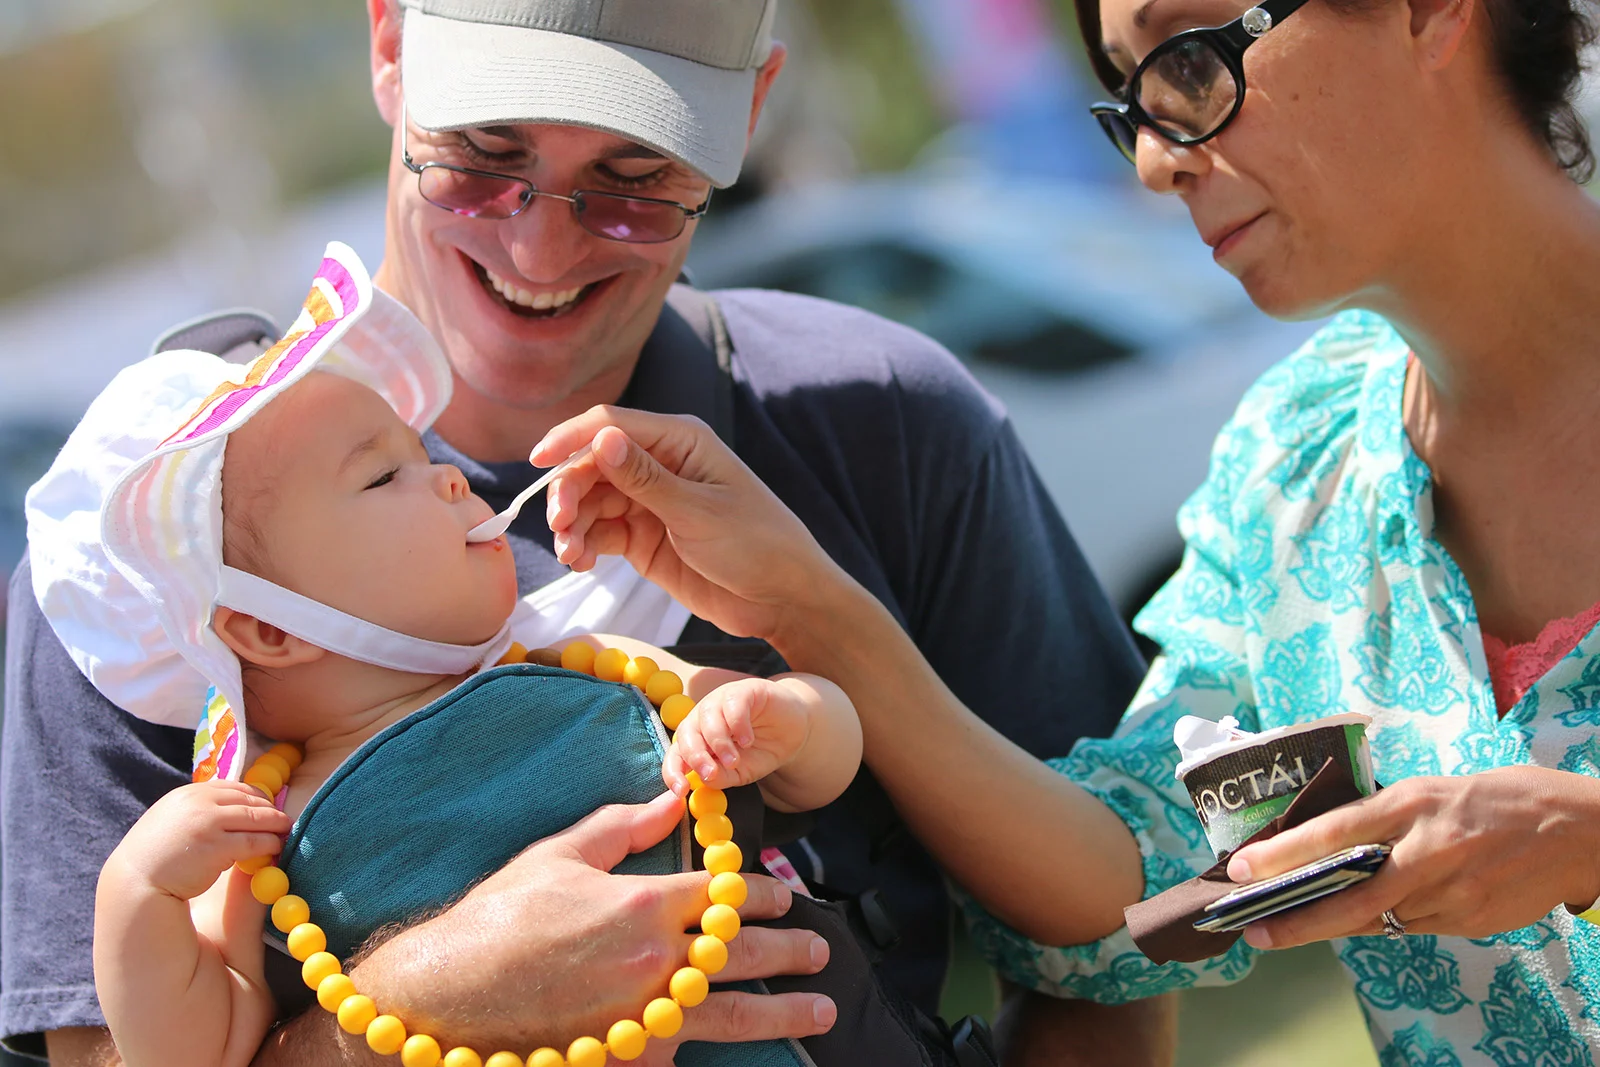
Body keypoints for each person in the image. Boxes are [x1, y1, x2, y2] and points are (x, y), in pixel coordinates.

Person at [1, 1, 1170, 1063]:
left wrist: (809, 631)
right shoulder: (157, 548)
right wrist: (441, 994)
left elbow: (1126, 937)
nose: (539, 252)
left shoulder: (884, 417)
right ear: (389, 45)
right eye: (481, 160)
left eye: (633, 182)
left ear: (748, 113)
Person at [522, 0, 1600, 1054]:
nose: (1156, 162)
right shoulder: (1295, 466)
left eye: (1190, 63)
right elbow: (1138, 871)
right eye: (1132, 106)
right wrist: (813, 611)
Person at [33, 255, 858, 1067]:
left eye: (427, 456)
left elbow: (817, 771)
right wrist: (136, 894)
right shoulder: (255, 825)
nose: (452, 480)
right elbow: (197, 1052)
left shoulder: (593, 667)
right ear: (267, 628)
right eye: (384, 474)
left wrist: (784, 719)